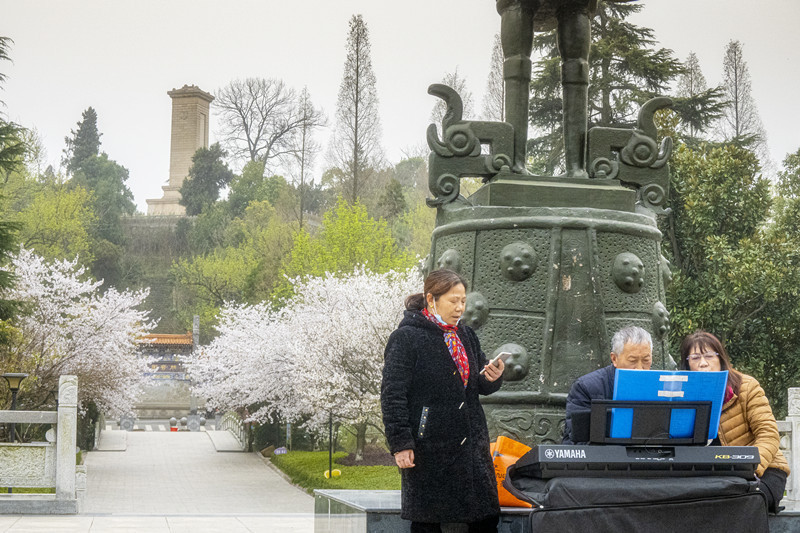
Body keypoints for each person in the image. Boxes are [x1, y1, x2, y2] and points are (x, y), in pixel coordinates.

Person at [381, 269, 504, 533]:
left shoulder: (466, 336)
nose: (460, 308)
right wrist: (401, 443)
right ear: (431, 299)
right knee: (429, 523)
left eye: (463, 301)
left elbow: (477, 384)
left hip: (471, 445)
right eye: (453, 301)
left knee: (484, 519)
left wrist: (492, 377)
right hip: (429, 449)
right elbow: (392, 395)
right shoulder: (406, 338)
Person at [680, 330, 790, 513]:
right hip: (715, 475)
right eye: (695, 358)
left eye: (709, 356)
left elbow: (768, 434)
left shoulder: (747, 386)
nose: (703, 363)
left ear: (721, 359)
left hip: (764, 471)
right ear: (687, 364)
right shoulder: (682, 394)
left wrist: (750, 468)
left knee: (739, 502)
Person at [563, 326, 652, 444]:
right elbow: (575, 442)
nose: (640, 369)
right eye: (632, 360)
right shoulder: (585, 388)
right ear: (614, 359)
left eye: (646, 360)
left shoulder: (660, 385)